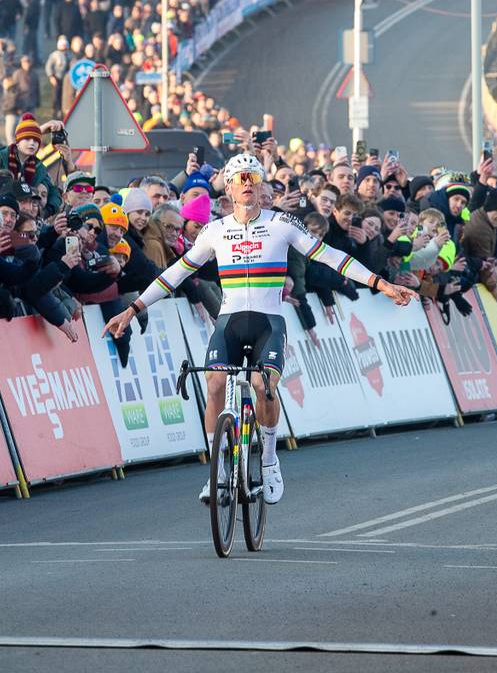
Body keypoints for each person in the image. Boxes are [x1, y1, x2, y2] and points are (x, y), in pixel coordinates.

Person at [103, 154, 415, 506]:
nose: (247, 183)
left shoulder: (283, 224)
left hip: (268, 321)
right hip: (230, 321)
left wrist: (382, 285)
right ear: (231, 188)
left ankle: (268, 459)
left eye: (253, 177)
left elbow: (331, 257)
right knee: (215, 382)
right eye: (240, 178)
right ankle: (218, 472)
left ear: (261, 184)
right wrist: (131, 310)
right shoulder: (216, 231)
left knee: (263, 384)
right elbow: (175, 273)